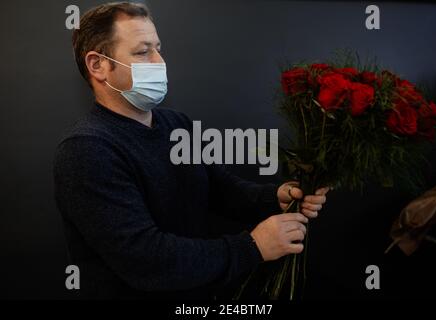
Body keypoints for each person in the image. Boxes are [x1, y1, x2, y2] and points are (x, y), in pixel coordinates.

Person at [53, 2, 329, 299]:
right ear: (98, 65)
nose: (159, 61)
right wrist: (252, 246)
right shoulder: (86, 151)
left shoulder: (176, 124)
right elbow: (146, 260)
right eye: (142, 51)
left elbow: (218, 189)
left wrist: (274, 197)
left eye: (158, 48)